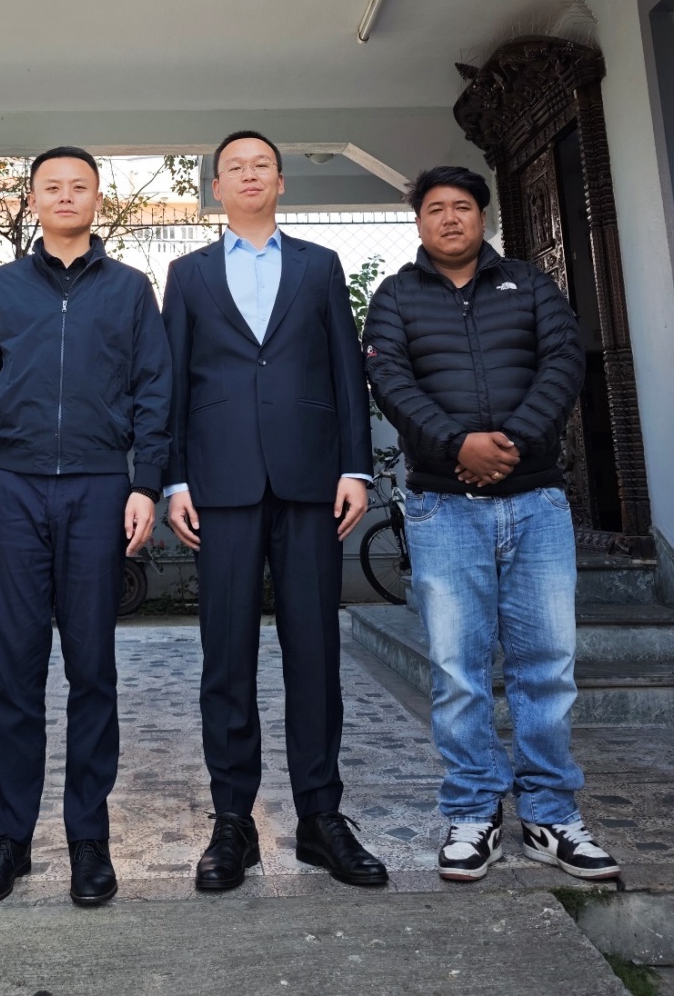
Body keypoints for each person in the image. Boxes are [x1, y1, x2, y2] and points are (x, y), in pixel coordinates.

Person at [363, 165, 621, 884]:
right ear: (419, 222)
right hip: (443, 509)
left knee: (547, 667)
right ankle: (473, 811)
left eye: (462, 206)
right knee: (458, 671)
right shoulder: (395, 297)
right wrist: (458, 447)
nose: (449, 218)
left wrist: (510, 443)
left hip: (536, 503)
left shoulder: (531, 285)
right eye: (435, 208)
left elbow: (563, 361)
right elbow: (390, 380)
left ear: (483, 216)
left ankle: (550, 816)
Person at [162, 131, 388, 892]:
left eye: (262, 165)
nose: (250, 175)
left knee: (314, 653)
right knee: (225, 656)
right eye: (235, 167)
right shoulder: (187, 274)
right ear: (216, 187)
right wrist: (173, 480)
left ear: (281, 182)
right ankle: (233, 821)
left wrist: (354, 466)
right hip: (219, 487)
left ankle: (321, 817)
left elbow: (347, 370)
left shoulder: (319, 266)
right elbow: (173, 383)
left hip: (310, 482)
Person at [0, 147, 171, 909]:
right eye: (53, 186)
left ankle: (88, 837)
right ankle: (9, 840)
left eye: (80, 185)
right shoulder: (2, 287)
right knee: (16, 670)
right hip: (12, 489)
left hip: (99, 487)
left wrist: (144, 483)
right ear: (34, 199)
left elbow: (154, 391)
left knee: (92, 670)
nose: (67, 195)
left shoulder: (130, 289)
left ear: (97, 198)